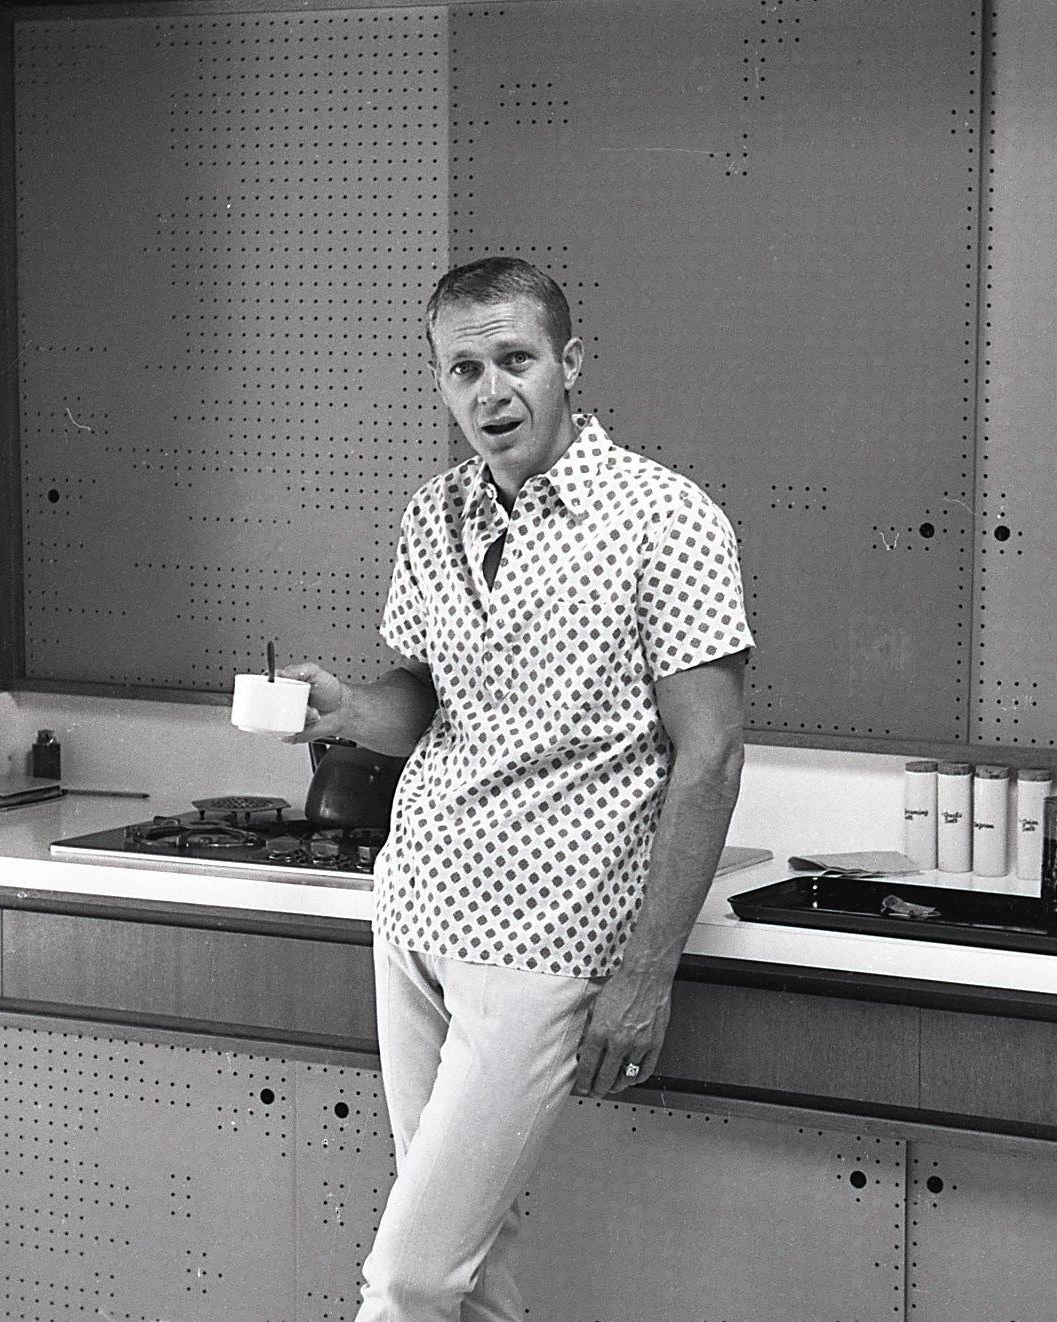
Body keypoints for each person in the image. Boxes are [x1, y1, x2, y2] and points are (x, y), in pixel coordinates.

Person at [277, 256, 752, 1322]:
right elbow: (424, 701)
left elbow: (710, 754)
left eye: (515, 360)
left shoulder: (666, 520)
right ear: (440, 384)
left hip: (544, 940)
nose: (490, 392)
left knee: (407, 1277)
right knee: (468, 1268)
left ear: (569, 363)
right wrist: (347, 707)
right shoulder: (433, 513)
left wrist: (647, 973)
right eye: (463, 369)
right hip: (415, 913)